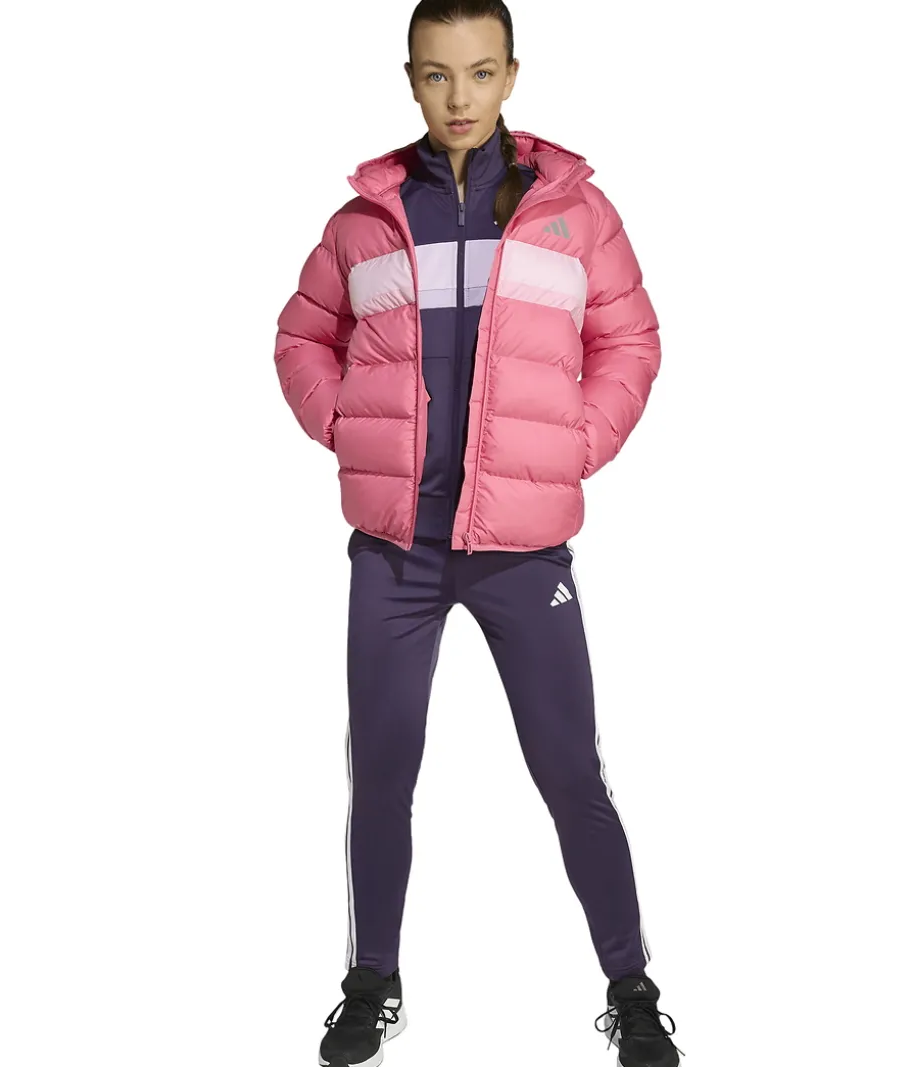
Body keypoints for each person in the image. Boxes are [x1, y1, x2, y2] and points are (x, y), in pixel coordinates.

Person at [273, 2, 682, 1065]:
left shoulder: (572, 212)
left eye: (481, 73)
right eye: (437, 75)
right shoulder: (364, 221)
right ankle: (372, 982)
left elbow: (631, 339)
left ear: (512, 74)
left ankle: (632, 986)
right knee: (383, 772)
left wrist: (577, 443)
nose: (460, 98)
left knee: (569, 770)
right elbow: (303, 334)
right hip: (396, 551)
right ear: (411, 77)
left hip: (522, 548)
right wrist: (342, 425)